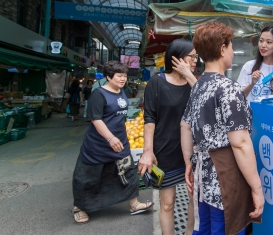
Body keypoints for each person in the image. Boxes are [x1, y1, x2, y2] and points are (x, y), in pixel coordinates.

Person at [181, 22, 264, 235]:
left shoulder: (198, 85)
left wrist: (188, 163)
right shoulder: (229, 88)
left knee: (206, 228)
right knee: (225, 227)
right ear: (222, 49)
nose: (233, 51)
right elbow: (241, 143)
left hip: (203, 177)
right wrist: (257, 188)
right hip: (225, 179)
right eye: (231, 46)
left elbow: (185, 125)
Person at [72, 61, 152, 224]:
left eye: (124, 76)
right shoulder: (99, 94)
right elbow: (96, 119)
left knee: (128, 171)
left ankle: (134, 204)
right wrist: (110, 137)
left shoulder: (121, 92)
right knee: (89, 177)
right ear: (108, 77)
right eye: (119, 76)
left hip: (119, 142)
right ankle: (80, 207)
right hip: (98, 145)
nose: (123, 79)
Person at [138, 38, 197, 235]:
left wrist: (189, 75)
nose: (196, 60)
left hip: (191, 152)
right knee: (167, 203)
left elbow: (205, 103)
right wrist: (148, 151)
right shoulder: (157, 82)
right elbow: (149, 118)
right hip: (164, 152)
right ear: (177, 58)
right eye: (192, 56)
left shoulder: (194, 82)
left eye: (196, 57)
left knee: (193, 199)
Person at [237, 25, 273, 102]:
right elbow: (238, 97)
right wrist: (252, 84)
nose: (263, 45)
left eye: (269, 42)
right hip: (250, 114)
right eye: (261, 41)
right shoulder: (249, 66)